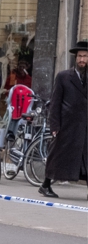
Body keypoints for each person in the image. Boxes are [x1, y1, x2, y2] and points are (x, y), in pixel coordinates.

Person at [39, 41, 87, 199]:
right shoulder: (64, 76)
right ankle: (46, 185)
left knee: (85, 157)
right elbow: (55, 102)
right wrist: (55, 125)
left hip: (85, 126)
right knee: (58, 155)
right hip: (67, 125)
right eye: (80, 56)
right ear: (75, 58)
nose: (82, 59)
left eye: (85, 56)